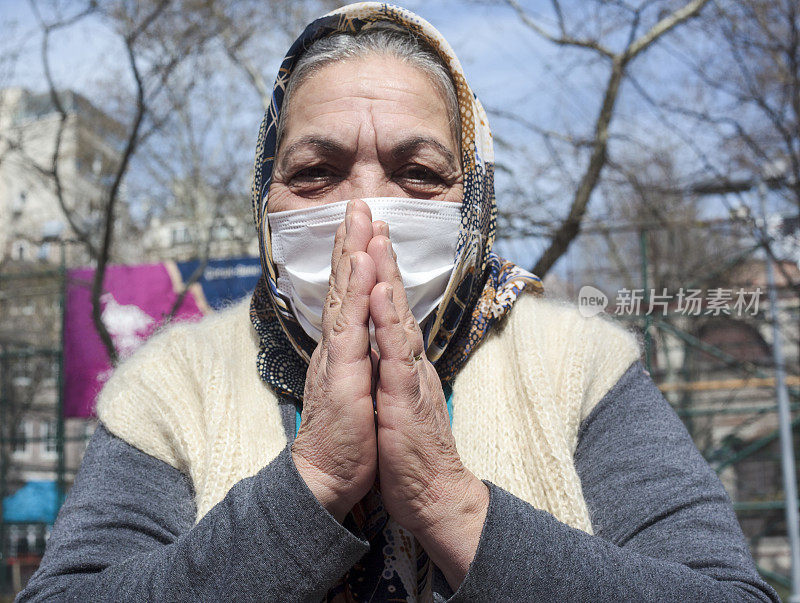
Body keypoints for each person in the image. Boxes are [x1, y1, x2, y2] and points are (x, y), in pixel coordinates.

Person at [18, 3, 779, 602]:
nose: (365, 216)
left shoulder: (581, 366)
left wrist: (446, 499)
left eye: (418, 173)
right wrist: (311, 478)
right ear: (265, 195)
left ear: (474, 198)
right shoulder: (171, 385)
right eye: (317, 171)